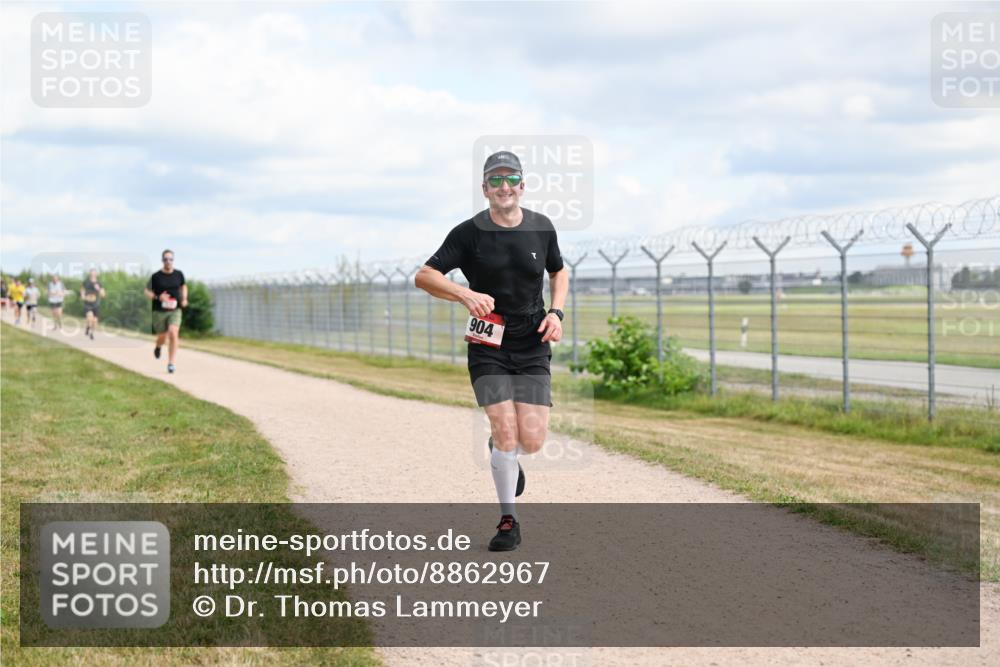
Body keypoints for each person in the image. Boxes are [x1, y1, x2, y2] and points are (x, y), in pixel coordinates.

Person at [415, 151, 568, 552]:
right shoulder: (468, 233)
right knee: (505, 429)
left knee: (530, 440)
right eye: (494, 180)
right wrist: (464, 294)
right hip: (488, 344)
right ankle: (508, 520)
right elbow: (424, 276)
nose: (503, 186)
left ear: (522, 185)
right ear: (484, 188)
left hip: (532, 342)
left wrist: (557, 313)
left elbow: (559, 271)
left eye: (510, 178)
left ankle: (503, 451)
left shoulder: (542, 227)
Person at [144, 249, 187, 374]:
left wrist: (184, 298)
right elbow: (147, 292)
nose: (168, 261)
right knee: (162, 337)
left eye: (170, 259)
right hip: (159, 311)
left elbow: (183, 286)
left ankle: (171, 363)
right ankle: (158, 346)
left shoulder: (179, 274)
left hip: (175, 309)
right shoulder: (156, 276)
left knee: (173, 333)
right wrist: (158, 297)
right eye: (166, 259)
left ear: (173, 260)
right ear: (162, 260)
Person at [80, 269, 106, 340]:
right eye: (91, 273)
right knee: (89, 317)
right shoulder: (86, 282)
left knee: (94, 321)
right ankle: (88, 327)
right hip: (87, 303)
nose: (93, 275)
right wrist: (82, 296)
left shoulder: (99, 283)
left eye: (94, 273)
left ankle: (91, 332)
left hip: (96, 304)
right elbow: (82, 289)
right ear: (90, 274)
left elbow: (103, 295)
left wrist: (99, 289)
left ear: (96, 274)